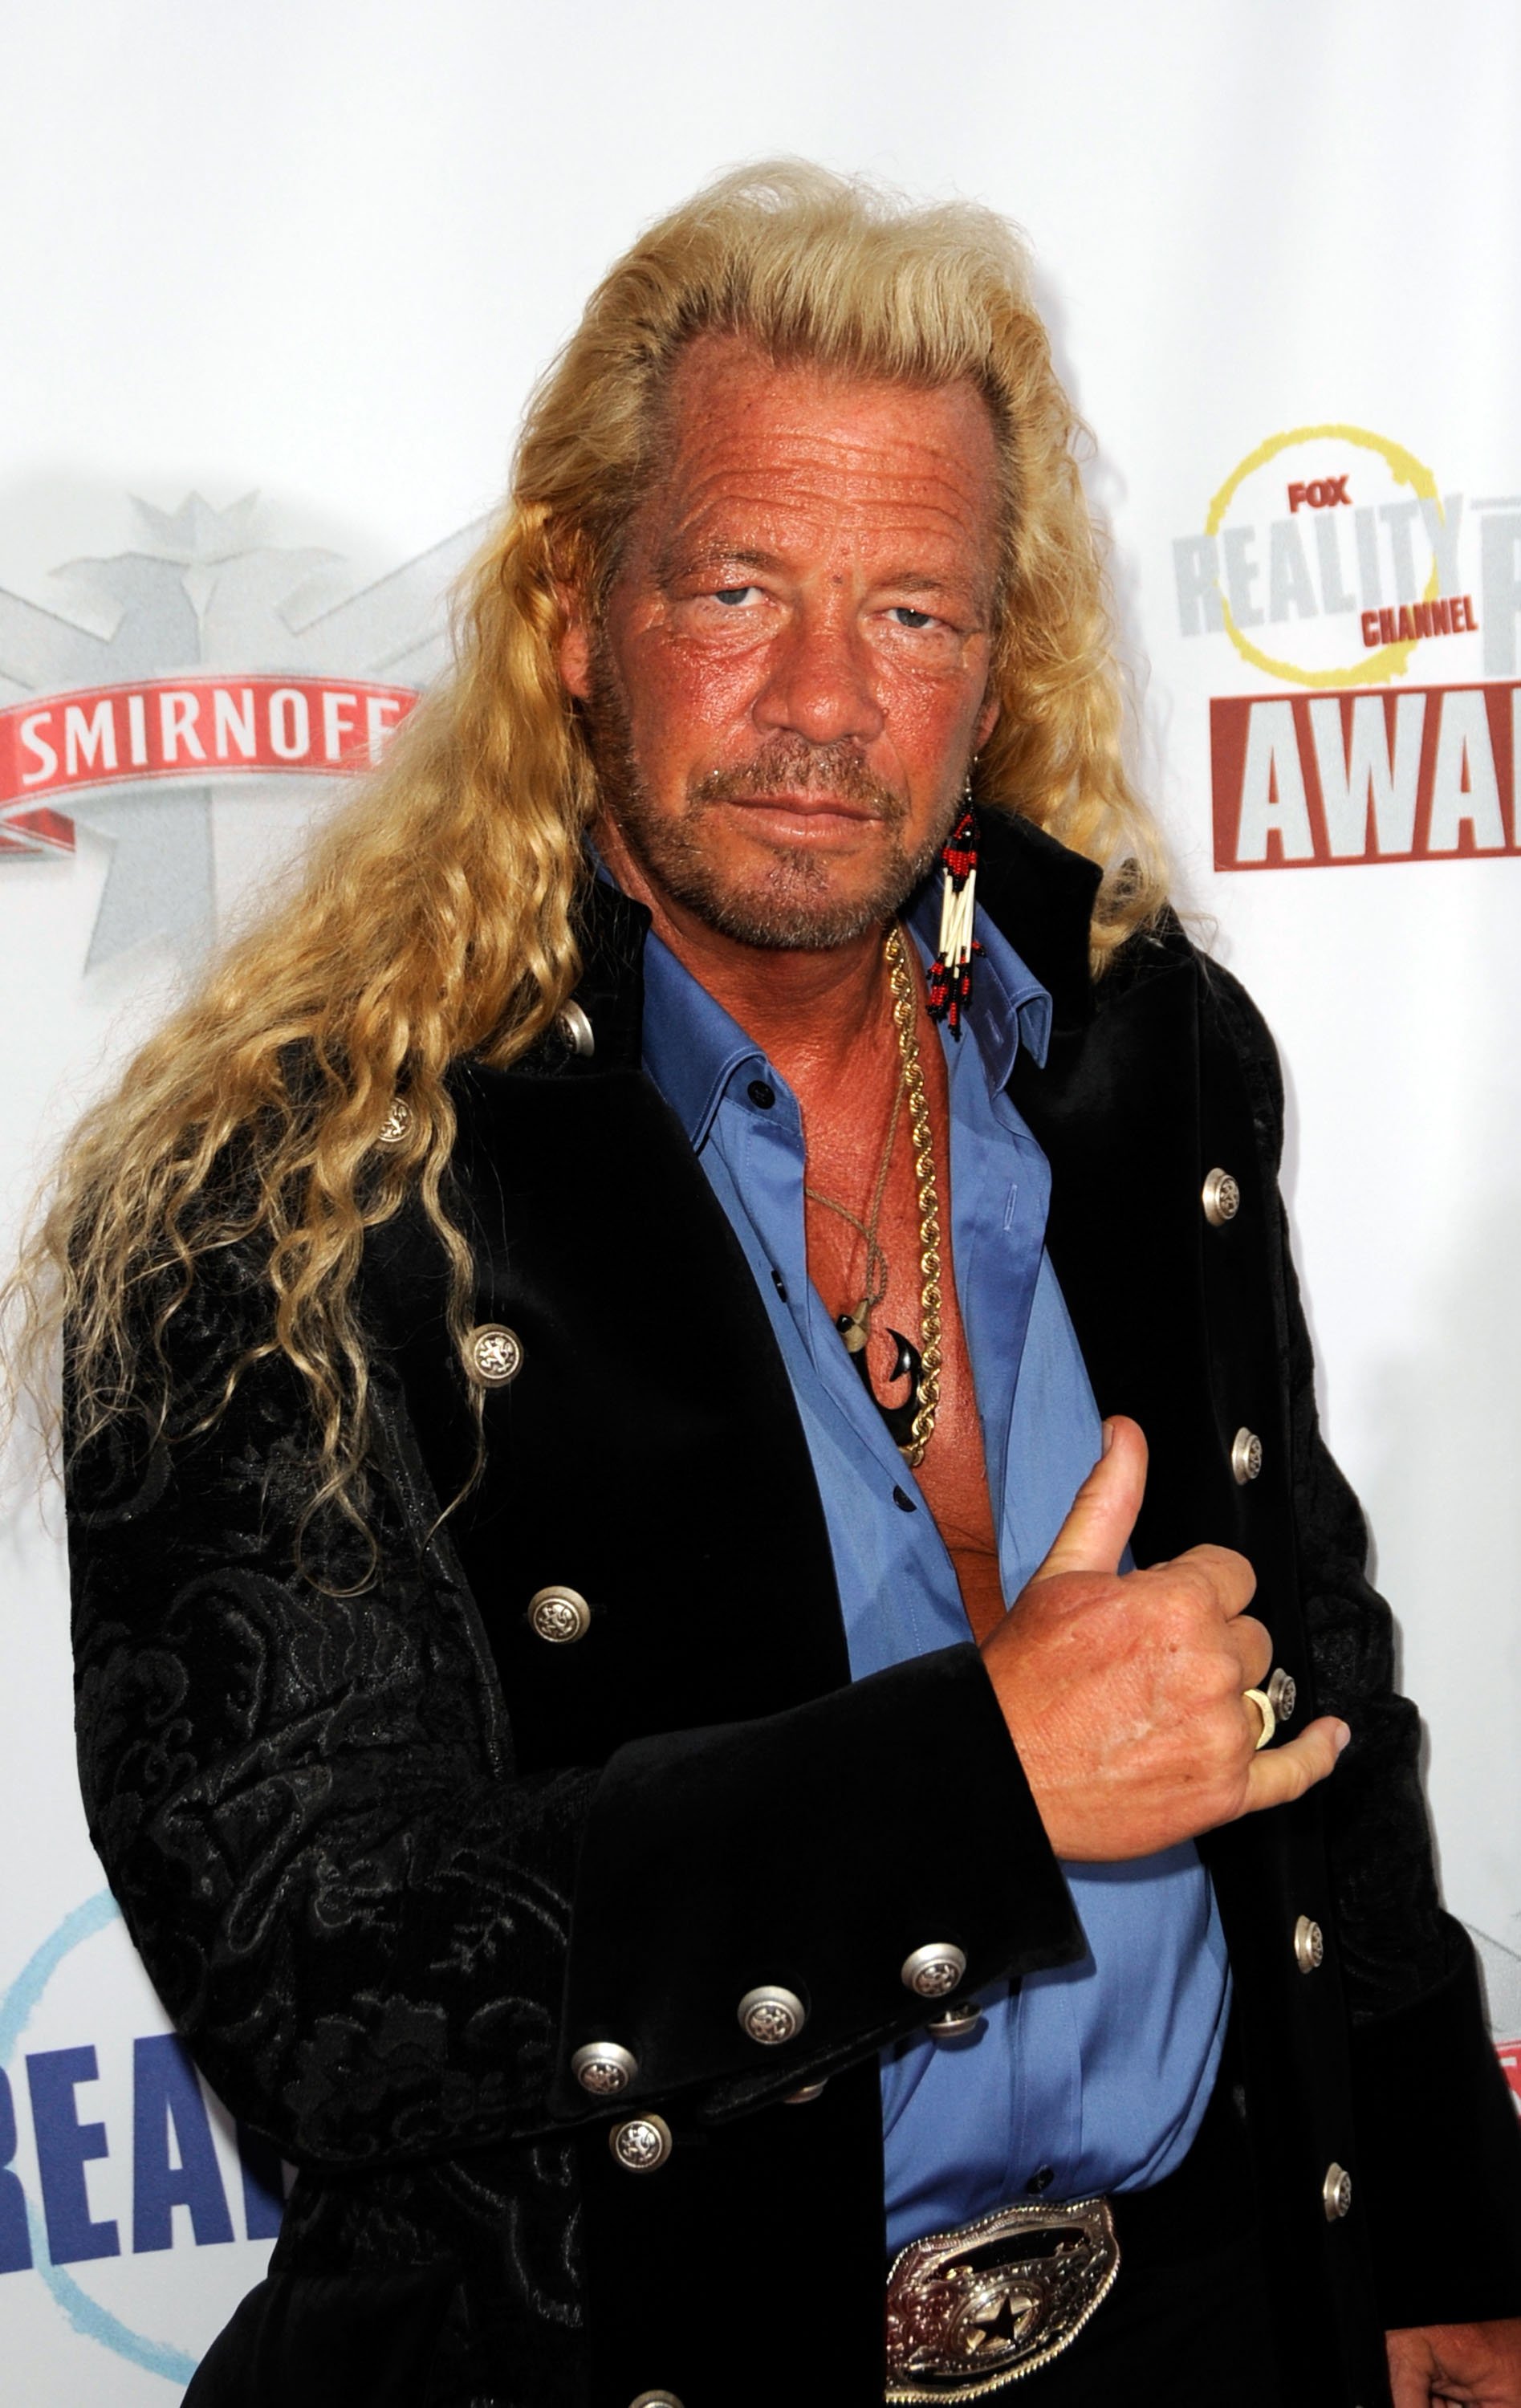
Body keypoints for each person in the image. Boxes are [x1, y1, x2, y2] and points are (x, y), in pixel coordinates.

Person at [25, 163, 1521, 2407]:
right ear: (572, 609)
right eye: (740, 588)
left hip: (1209, 2327)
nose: (826, 703)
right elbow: (316, 1986)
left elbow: (1307, 1662)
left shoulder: (1143, 1054)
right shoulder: (285, 1181)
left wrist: (1439, 2229)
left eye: (915, 613)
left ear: (1000, 659)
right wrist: (973, 1780)